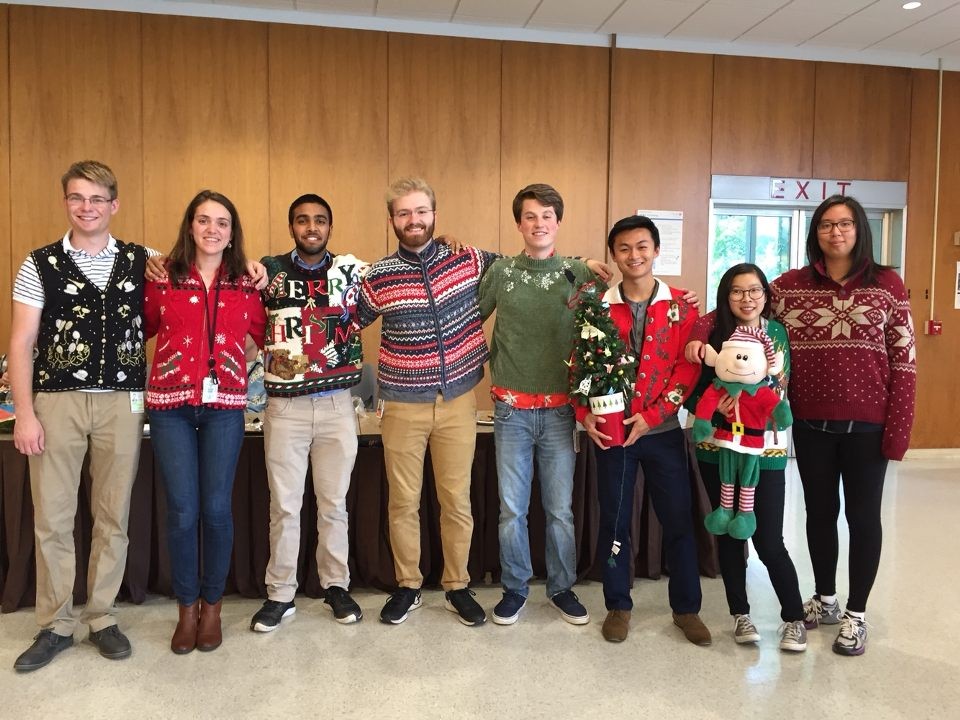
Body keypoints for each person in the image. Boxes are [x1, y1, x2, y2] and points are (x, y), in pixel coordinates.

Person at [9, 161, 153, 671]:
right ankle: (55, 624)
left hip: (123, 401)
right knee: (53, 515)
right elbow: (22, 342)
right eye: (77, 198)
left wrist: (256, 270)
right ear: (65, 202)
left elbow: (201, 271)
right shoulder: (38, 263)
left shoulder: (144, 261)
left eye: (97, 199)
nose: (86, 208)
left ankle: (102, 616)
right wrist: (24, 414)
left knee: (113, 514)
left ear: (114, 204)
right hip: (56, 399)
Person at [770, 195, 916, 656]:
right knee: (818, 514)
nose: (837, 232)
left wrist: (899, 431)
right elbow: (740, 307)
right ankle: (827, 598)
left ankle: (857, 614)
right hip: (811, 424)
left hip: (868, 428)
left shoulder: (888, 285)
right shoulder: (790, 287)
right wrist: (698, 331)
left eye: (846, 224)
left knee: (863, 517)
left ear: (860, 231)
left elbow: (906, 363)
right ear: (816, 232)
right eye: (828, 225)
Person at [356, 177, 493, 626]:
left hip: (458, 399)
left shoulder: (468, 259)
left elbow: (525, 272)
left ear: (434, 213)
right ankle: (409, 585)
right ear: (392, 219)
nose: (413, 220)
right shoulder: (376, 276)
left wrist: (583, 265)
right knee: (404, 502)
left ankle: (457, 585)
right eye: (403, 213)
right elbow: (341, 320)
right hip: (400, 404)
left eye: (421, 211)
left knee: (456, 500)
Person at [144, 190, 266, 654]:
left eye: (222, 222)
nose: (212, 229)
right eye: (203, 220)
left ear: (232, 232)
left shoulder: (247, 283)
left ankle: (212, 607)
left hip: (224, 408)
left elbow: (260, 336)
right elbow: (145, 327)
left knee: (216, 509)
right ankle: (186, 607)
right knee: (182, 510)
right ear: (190, 226)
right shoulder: (162, 278)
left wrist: (233, 363)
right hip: (170, 406)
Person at [579, 215, 709, 645]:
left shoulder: (682, 307)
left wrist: (651, 416)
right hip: (614, 433)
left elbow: (685, 370)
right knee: (614, 521)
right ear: (614, 256)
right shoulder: (597, 304)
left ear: (655, 250)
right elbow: (580, 364)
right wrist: (584, 413)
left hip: (664, 432)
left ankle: (686, 608)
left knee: (678, 520)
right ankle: (618, 604)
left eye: (642, 247)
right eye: (624, 249)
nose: (634, 256)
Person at [478, 183, 603, 626]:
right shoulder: (501, 274)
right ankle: (514, 589)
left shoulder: (578, 274)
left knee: (559, 510)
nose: (539, 224)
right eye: (530, 216)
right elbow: (470, 321)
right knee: (511, 509)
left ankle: (561, 588)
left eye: (547, 215)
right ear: (519, 224)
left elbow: (617, 307)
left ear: (558, 222)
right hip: (511, 411)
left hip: (561, 413)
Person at [249, 194, 367, 632]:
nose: (311, 227)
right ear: (291, 227)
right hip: (285, 408)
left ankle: (336, 585)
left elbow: (401, 270)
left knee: (334, 504)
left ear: (330, 228)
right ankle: (280, 593)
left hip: (337, 405)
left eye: (319, 220)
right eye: (302, 220)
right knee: (285, 506)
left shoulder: (352, 271)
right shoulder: (268, 272)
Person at [684, 263, 806, 651]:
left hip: (763, 449)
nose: (746, 298)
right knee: (728, 535)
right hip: (714, 449)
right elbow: (690, 389)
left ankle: (793, 618)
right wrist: (713, 408)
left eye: (754, 290)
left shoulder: (776, 334)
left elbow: (775, 383)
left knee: (769, 538)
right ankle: (741, 615)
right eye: (737, 291)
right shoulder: (711, 332)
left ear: (766, 296)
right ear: (726, 296)